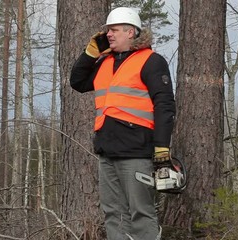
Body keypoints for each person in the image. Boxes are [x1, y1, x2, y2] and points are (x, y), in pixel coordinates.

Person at [70, 7, 175, 240]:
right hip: (107, 150)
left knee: (141, 213)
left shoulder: (151, 61)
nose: (108, 34)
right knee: (114, 214)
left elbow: (165, 105)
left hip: (137, 150)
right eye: (108, 30)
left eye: (114, 30)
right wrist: (89, 53)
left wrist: (161, 147)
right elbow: (77, 81)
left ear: (130, 32)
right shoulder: (104, 63)